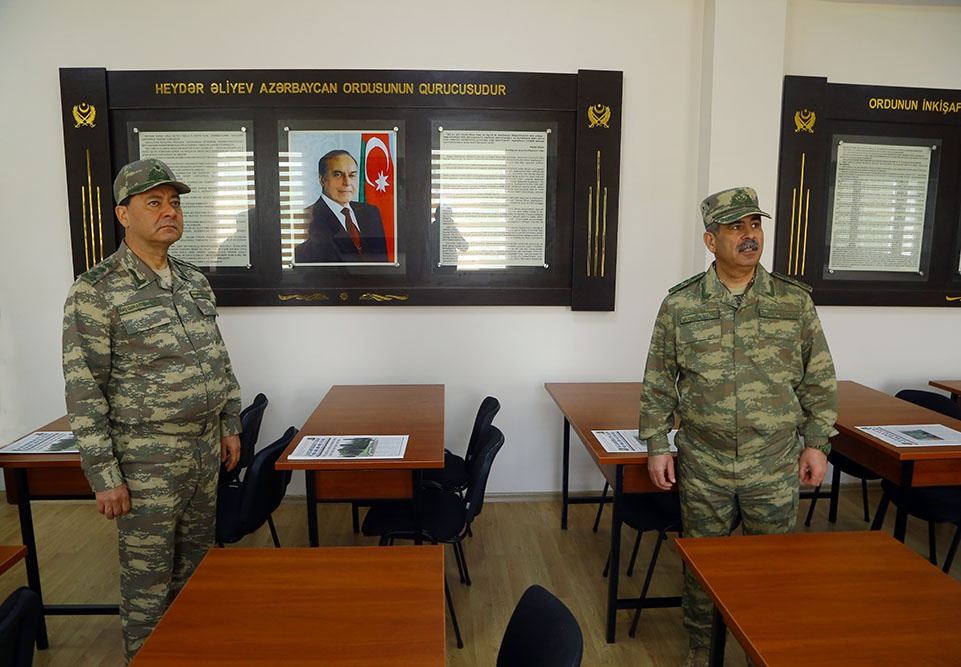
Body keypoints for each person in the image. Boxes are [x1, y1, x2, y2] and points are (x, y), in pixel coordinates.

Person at [637, 187, 837, 667]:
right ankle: (701, 649)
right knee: (702, 566)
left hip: (773, 461)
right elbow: (659, 379)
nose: (750, 236)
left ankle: (763, 650)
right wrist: (657, 444)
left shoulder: (793, 301)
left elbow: (818, 378)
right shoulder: (681, 304)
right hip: (704, 461)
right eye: (735, 227)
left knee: (773, 567)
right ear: (711, 240)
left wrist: (817, 443)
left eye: (755, 224)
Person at [62, 158, 242, 662]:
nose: (169, 212)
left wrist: (229, 422)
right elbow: (84, 390)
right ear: (123, 214)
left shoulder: (191, 280)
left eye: (175, 203)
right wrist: (104, 476)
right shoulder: (96, 291)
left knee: (198, 572)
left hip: (203, 453)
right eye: (154, 202)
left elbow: (218, 360)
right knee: (148, 584)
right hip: (146, 463)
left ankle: (193, 654)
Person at [294, 149, 388, 263]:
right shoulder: (306, 218)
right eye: (338, 175)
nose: (347, 182)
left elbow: (383, 263)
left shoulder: (371, 212)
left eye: (352, 175)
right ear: (322, 179)